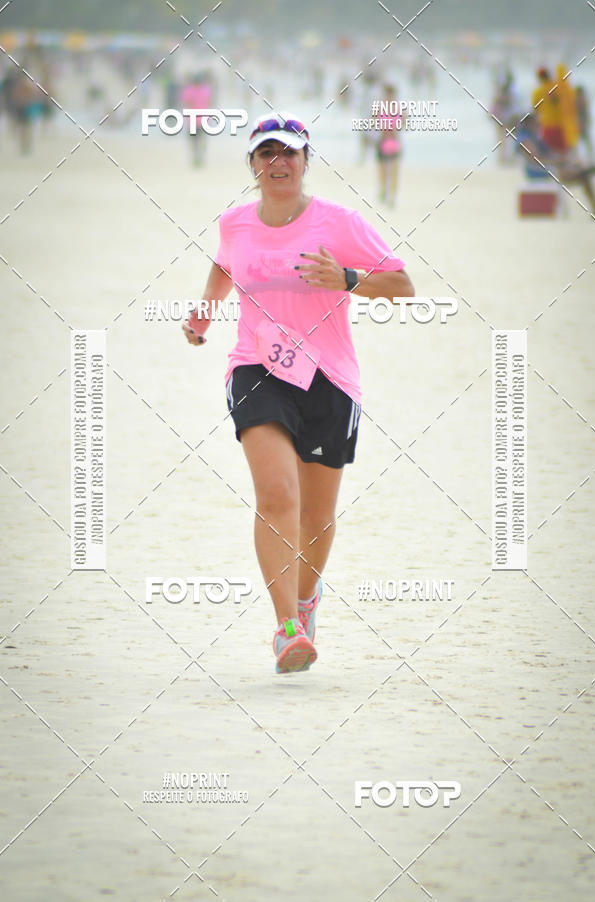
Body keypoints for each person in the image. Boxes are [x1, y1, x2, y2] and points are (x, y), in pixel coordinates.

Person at [182, 111, 414, 673]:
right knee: (277, 496)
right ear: (254, 165)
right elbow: (224, 264)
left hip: (329, 378)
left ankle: (306, 602)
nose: (278, 161)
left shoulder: (338, 222)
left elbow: (403, 284)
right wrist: (205, 315)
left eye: (289, 152)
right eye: (267, 153)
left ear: (307, 161)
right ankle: (286, 629)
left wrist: (348, 280)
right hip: (256, 368)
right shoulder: (235, 222)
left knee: (315, 515)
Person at [516, 112, 595, 217]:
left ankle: (585, 170)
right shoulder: (525, 139)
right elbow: (536, 160)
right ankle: (586, 171)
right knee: (583, 175)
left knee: (580, 170)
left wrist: (562, 160)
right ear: (529, 123)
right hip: (539, 170)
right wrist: (558, 162)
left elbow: (548, 154)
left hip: (549, 167)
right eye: (536, 123)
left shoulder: (533, 136)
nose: (539, 125)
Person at [374, 84, 404, 206]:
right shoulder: (380, 108)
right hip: (383, 140)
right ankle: (384, 190)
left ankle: (392, 196)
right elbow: (374, 122)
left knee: (394, 171)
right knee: (383, 170)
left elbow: (403, 124)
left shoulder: (399, 109)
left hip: (393, 141)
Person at [532, 67, 564, 152]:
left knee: (549, 151)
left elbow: (535, 111)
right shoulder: (557, 88)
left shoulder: (537, 92)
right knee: (561, 151)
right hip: (560, 124)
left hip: (546, 125)